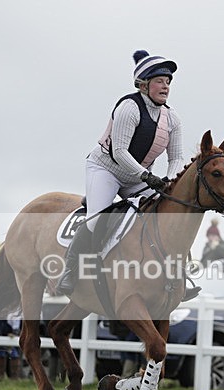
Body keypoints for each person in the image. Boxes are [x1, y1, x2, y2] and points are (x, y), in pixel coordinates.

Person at [57, 49, 185, 295]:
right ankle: (71, 271)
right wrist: (148, 177)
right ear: (143, 85)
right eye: (159, 81)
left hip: (138, 176)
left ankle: (173, 278)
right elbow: (120, 153)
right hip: (107, 170)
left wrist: (168, 181)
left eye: (168, 82)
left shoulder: (173, 118)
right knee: (96, 219)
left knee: (163, 214)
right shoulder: (129, 107)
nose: (165, 86)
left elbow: (176, 157)